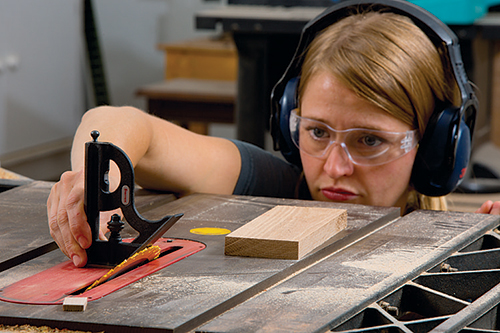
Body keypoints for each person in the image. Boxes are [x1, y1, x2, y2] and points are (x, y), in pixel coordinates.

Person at [47, 1, 500, 268]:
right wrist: (94, 175)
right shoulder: (279, 186)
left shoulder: (455, 251)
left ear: (437, 143)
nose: (335, 167)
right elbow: (122, 119)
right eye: (317, 132)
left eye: (369, 141)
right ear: (289, 122)